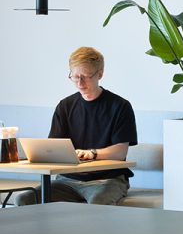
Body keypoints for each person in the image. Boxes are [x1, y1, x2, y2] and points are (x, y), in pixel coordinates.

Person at [12, 46, 137, 205]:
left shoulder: (120, 106)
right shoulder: (65, 106)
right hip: (67, 180)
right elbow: (53, 147)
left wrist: (92, 153)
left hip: (107, 179)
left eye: (85, 76)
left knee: (98, 202)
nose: (80, 82)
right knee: (24, 199)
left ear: (100, 74)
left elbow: (120, 152)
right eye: (75, 76)